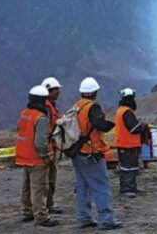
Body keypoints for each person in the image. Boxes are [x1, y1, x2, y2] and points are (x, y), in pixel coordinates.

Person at [71, 77, 122, 230]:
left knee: (82, 186)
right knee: (101, 185)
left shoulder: (77, 106)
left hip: (77, 152)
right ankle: (106, 219)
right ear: (94, 92)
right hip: (91, 152)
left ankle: (83, 218)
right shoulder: (93, 108)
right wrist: (111, 124)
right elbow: (99, 124)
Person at [15, 85, 59, 227]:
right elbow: (40, 142)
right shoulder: (41, 118)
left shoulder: (24, 113)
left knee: (26, 186)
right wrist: (46, 156)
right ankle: (40, 216)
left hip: (23, 156)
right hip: (36, 158)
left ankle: (27, 212)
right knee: (38, 187)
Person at [114, 88, 147, 197]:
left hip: (123, 144)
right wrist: (141, 125)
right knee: (129, 167)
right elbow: (133, 129)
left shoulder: (120, 110)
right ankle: (127, 189)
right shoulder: (127, 112)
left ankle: (129, 187)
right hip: (128, 144)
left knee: (126, 167)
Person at [41, 76, 63, 215]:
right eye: (55, 89)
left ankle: (49, 203)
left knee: (51, 177)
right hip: (48, 147)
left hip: (52, 146)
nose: (58, 92)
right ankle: (46, 205)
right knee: (47, 178)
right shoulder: (46, 108)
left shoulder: (51, 106)